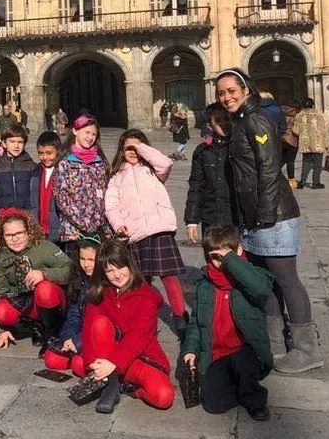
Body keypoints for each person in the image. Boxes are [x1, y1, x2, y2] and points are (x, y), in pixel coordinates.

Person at [215, 67, 322, 374]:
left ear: (246, 90)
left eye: (232, 91)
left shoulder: (256, 119)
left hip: (273, 215)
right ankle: (274, 341)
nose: (227, 97)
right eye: (221, 93)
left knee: (286, 278)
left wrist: (264, 213)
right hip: (256, 217)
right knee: (267, 280)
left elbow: (270, 169)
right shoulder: (239, 122)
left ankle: (306, 348)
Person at [182, 224, 274, 421]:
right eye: (214, 257)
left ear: (238, 250)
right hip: (217, 354)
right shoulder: (205, 285)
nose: (219, 263)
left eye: (224, 256)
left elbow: (261, 290)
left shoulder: (252, 277)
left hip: (245, 350)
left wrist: (232, 260)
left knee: (242, 364)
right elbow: (197, 323)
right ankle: (238, 387)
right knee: (212, 404)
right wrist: (190, 350)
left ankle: (254, 397)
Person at [105, 129, 189, 337]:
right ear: (121, 152)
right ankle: (144, 315)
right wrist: (118, 225)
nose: (132, 152)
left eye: (137, 147)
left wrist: (141, 148)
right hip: (135, 234)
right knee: (141, 280)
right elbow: (111, 205)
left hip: (159, 229)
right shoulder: (116, 177)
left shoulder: (153, 169)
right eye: (128, 149)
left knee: (169, 276)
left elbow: (166, 162)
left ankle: (180, 317)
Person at [80, 239, 174, 413]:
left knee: (163, 396)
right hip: (107, 351)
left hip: (139, 356)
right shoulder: (102, 293)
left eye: (120, 267)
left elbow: (139, 336)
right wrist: (92, 364)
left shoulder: (145, 296)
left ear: (130, 265)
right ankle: (111, 386)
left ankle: (124, 386)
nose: (117, 275)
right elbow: (89, 330)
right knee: (98, 326)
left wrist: (113, 363)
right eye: (110, 271)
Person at [0, 209, 70, 353]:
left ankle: (51, 334)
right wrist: (0, 329)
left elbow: (70, 270)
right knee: (2, 311)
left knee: (44, 289)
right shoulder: (1, 257)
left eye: (19, 233)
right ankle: (35, 325)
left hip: (51, 300)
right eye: (9, 235)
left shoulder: (44, 247)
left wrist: (44, 274)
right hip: (26, 302)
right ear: (2, 237)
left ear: (28, 231)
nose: (15, 238)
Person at [54, 115, 111, 261]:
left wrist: (100, 222)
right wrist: (83, 222)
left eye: (94, 134)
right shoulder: (65, 163)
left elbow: (105, 193)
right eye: (87, 132)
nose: (90, 137)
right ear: (75, 131)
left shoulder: (99, 162)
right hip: (74, 231)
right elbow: (61, 197)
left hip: (99, 228)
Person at [42, 237, 98, 376]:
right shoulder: (80, 278)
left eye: (91, 260)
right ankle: (76, 352)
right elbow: (74, 314)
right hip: (80, 333)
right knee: (52, 359)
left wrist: (78, 341)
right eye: (83, 259)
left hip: (98, 336)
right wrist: (68, 337)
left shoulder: (107, 282)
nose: (86, 264)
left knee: (79, 366)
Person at [184, 103, 233, 242]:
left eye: (226, 119)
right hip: (211, 217)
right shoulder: (203, 151)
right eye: (218, 121)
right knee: (213, 260)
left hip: (236, 219)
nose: (224, 123)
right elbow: (196, 186)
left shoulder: (240, 146)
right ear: (210, 126)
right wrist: (192, 220)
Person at [0, 124, 37, 215]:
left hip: (27, 217)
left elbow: (36, 197)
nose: (16, 146)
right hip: (4, 219)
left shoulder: (31, 167)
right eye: (12, 141)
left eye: (20, 142)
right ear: (4, 144)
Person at [31, 131, 63, 243]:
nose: (44, 157)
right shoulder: (35, 171)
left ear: (58, 151)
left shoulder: (62, 171)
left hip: (57, 229)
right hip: (39, 229)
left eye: (49, 153)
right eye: (41, 153)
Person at [292, 98, 329, 189]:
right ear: (313, 105)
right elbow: (324, 130)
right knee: (317, 163)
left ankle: (303, 180)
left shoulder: (299, 115)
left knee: (306, 162)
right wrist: (327, 144)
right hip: (318, 142)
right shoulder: (319, 114)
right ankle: (316, 182)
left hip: (305, 142)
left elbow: (295, 130)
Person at [279, 100, 300, 186]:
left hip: (282, 138)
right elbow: (296, 130)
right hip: (292, 140)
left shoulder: (281, 112)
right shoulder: (296, 115)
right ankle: (291, 180)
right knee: (290, 161)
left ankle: (273, 173)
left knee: (282, 159)